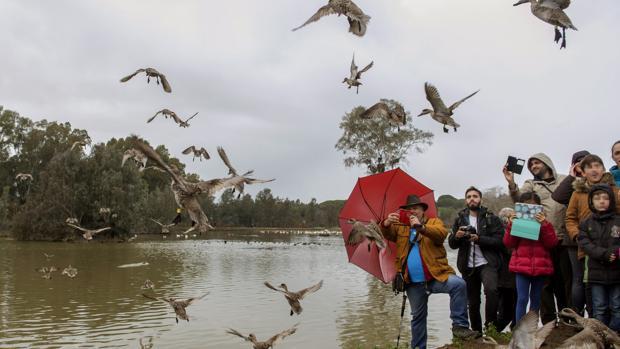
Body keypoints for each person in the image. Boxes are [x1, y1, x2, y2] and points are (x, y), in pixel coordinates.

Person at [382, 195, 479, 349]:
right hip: (412, 282)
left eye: (415, 208)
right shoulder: (400, 226)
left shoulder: (434, 222)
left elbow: (441, 234)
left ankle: (460, 327)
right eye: (409, 209)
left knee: (458, 285)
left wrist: (421, 228)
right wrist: (386, 223)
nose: (412, 211)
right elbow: (386, 234)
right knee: (417, 318)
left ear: (422, 211)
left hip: (436, 276)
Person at [503, 153, 569, 323]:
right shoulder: (530, 184)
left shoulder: (563, 179)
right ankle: (541, 324)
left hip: (561, 237)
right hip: (531, 249)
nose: (533, 166)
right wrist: (511, 182)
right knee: (537, 294)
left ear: (547, 162)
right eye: (530, 164)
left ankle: (564, 323)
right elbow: (520, 199)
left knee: (563, 286)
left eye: (537, 162)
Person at [566, 154, 620, 316]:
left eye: (597, 166)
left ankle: (613, 327)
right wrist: (578, 236)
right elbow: (570, 218)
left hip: (612, 247)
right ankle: (589, 322)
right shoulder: (577, 193)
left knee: (614, 289)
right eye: (589, 167)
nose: (594, 170)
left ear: (603, 169)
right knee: (588, 286)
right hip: (587, 247)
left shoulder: (613, 190)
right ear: (583, 171)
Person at [448, 186, 504, 333]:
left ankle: (491, 327)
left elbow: (500, 242)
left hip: (487, 263)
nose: (472, 199)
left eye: (475, 196)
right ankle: (477, 332)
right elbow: (452, 245)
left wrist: (479, 239)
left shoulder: (492, 218)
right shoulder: (459, 218)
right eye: (469, 197)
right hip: (468, 265)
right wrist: (457, 237)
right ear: (466, 200)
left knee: (491, 291)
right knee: (472, 301)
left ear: (480, 199)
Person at [503, 192, 559, 323]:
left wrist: (544, 224)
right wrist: (512, 225)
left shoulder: (546, 224)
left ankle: (531, 331)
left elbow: (552, 243)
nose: (530, 209)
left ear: (540, 208)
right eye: (527, 206)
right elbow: (508, 243)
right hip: (521, 267)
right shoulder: (516, 222)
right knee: (522, 298)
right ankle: (519, 330)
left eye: (534, 206)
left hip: (540, 267)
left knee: (536, 298)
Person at [577, 184, 620, 331]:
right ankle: (600, 338)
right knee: (599, 308)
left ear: (611, 201)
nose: (601, 201)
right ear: (591, 201)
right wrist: (604, 254)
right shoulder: (586, 223)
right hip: (596, 274)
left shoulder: (618, 221)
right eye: (597, 198)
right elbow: (585, 244)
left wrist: (615, 252)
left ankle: (615, 337)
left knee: (617, 307)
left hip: (617, 273)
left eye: (605, 198)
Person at [496, 207, 517, 331]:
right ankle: (495, 330)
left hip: (511, 276)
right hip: (505, 278)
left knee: (511, 308)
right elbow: (508, 249)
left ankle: (512, 328)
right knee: (506, 311)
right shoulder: (502, 234)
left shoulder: (504, 232)